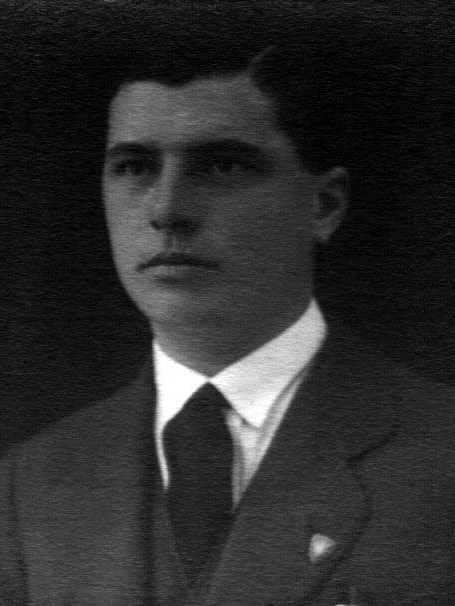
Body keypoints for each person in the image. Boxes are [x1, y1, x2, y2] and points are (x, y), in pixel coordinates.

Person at [1, 2, 454, 605]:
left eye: (220, 166)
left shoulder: (440, 453)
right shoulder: (32, 482)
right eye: (134, 167)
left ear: (323, 206)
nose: (167, 209)